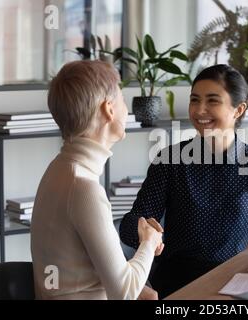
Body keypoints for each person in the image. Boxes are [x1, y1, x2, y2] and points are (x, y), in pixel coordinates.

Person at [119, 64, 248, 299]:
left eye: (212, 101)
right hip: (178, 281)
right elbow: (131, 222)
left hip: (237, 278)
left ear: (238, 110)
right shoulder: (169, 161)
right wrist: (144, 232)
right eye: (194, 100)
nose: (200, 110)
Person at [30, 60, 164, 300]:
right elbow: (124, 293)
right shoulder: (83, 187)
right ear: (109, 109)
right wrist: (149, 242)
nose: (127, 109)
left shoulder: (60, 169)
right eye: (122, 99)